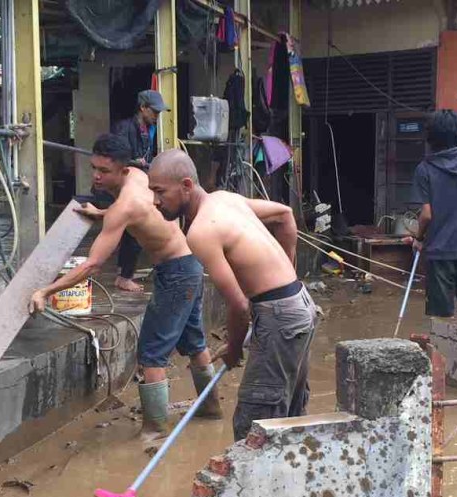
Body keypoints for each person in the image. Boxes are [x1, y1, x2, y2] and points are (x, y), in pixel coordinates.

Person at [29, 135, 220, 438]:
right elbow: (138, 212)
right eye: (94, 168)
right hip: (190, 265)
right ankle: (211, 410)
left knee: (151, 354)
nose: (96, 176)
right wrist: (103, 213)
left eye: (104, 171)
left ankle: (154, 430)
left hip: (176, 274)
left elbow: (92, 265)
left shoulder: (125, 206)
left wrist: (45, 291)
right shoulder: (141, 180)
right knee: (195, 343)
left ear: (123, 170)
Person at [148, 150, 319, 441]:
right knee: (287, 418)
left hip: (280, 315)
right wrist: (287, 275)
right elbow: (284, 215)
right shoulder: (226, 199)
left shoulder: (200, 232)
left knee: (253, 429)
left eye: (160, 191)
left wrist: (234, 349)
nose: (155, 201)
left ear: (186, 185)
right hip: (300, 302)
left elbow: (239, 306)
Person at [409, 110, 457, 319]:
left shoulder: (424, 168)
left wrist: (418, 238)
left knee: (441, 316)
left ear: (431, 136)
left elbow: (426, 215)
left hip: (439, 251)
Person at [105, 89, 170, 294]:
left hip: (136, 184)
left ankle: (123, 273)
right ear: (143, 108)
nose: (157, 116)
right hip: (121, 186)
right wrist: (134, 161)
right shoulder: (124, 128)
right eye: (154, 112)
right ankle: (124, 277)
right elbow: (115, 157)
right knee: (134, 230)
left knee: (130, 231)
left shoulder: (147, 129)